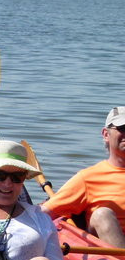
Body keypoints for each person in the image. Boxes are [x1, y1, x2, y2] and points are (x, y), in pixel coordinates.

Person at [41, 106, 125, 247]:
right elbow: (46, 212)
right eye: (122, 128)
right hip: (114, 254)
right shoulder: (88, 178)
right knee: (102, 215)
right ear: (106, 134)